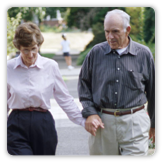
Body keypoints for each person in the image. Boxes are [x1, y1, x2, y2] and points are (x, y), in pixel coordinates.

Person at [78, 9, 155, 156]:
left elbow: (155, 92)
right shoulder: (96, 53)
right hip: (103, 123)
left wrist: (155, 124)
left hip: (135, 123)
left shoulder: (144, 54)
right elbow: (84, 85)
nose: (110, 37)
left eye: (115, 31)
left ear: (127, 30)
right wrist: (90, 113)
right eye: (107, 31)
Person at [7, 22, 86, 155]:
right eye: (26, 49)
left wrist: (83, 121)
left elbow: (64, 98)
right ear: (18, 47)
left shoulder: (50, 66)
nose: (31, 54)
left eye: (34, 48)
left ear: (39, 45)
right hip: (17, 123)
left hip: (43, 123)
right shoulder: (8, 68)